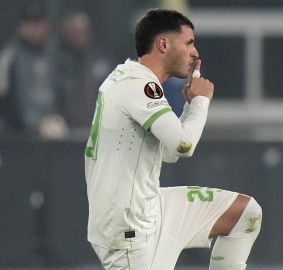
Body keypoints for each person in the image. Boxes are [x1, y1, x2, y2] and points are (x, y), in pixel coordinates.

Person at [84, 8, 262, 270]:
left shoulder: (131, 79)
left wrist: (189, 107)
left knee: (245, 213)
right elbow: (184, 145)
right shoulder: (140, 86)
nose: (195, 52)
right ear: (163, 44)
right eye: (189, 42)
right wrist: (201, 100)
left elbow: (169, 151)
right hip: (128, 232)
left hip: (151, 208)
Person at [0, 2, 67, 139]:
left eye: (39, 23)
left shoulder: (55, 55)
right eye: (30, 24)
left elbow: (62, 91)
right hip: (18, 134)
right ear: (21, 27)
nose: (35, 29)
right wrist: (22, 124)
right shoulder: (9, 56)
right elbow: (1, 95)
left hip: (52, 130)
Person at [56, 12, 110, 133]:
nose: (79, 36)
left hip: (96, 128)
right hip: (64, 129)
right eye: (75, 32)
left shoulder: (100, 61)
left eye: (82, 31)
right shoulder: (58, 62)